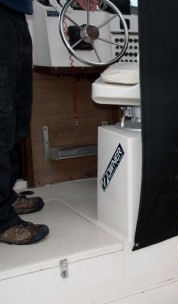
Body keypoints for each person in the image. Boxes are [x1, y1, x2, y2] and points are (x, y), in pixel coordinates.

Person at [0, 0, 98, 245]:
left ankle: (5, 197)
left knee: (16, 115)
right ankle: (2, 220)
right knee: (1, 120)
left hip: (15, 14)